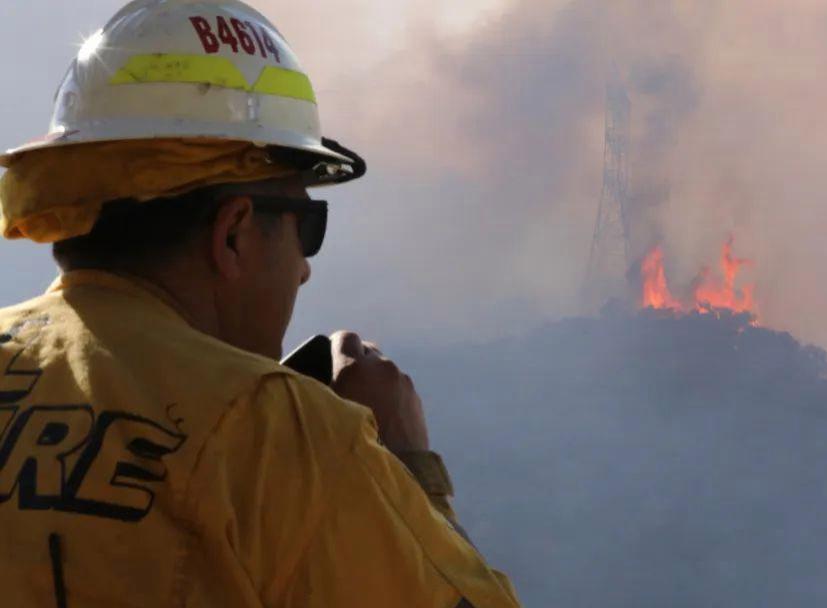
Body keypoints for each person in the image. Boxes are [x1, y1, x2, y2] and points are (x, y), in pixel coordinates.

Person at [0, 1, 521, 606]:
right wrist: (408, 469)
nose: (303, 269)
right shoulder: (278, 429)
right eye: (308, 226)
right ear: (234, 232)